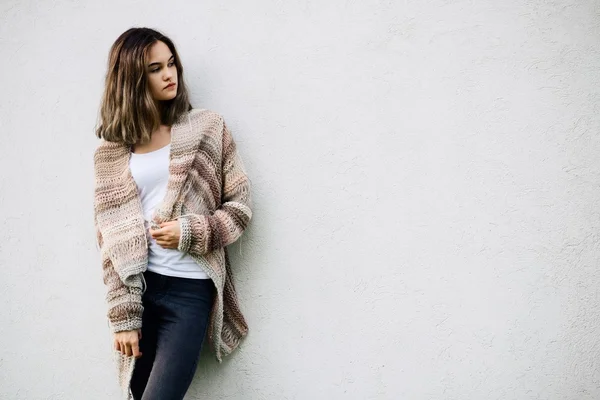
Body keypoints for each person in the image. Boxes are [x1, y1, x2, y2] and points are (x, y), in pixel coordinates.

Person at [92, 27, 252, 400]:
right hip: (139, 292)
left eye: (172, 63)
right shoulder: (111, 152)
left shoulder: (207, 128)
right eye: (155, 68)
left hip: (188, 292)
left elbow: (241, 208)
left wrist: (190, 232)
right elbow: (109, 244)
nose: (170, 74)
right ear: (132, 78)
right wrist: (123, 317)